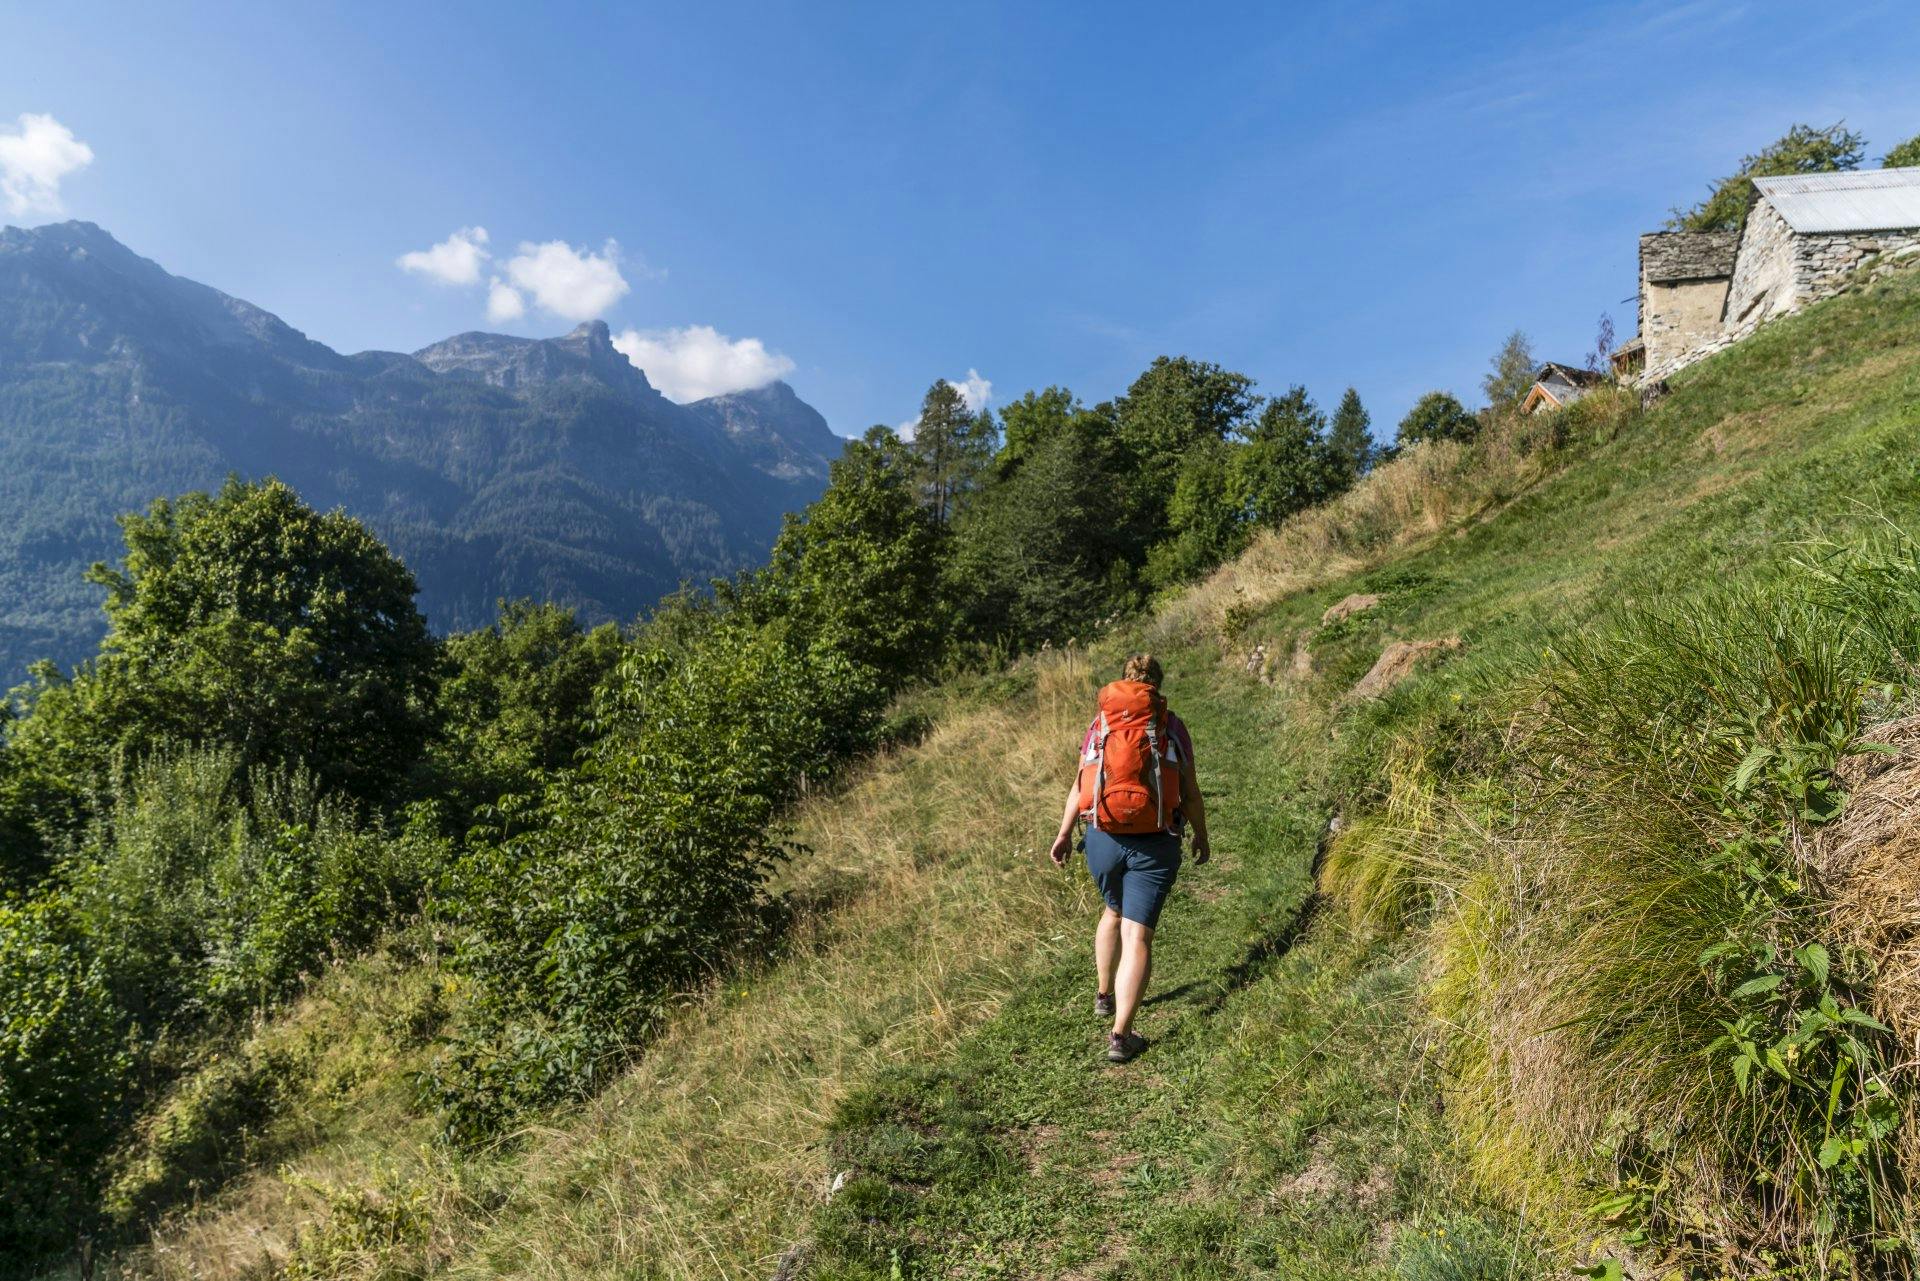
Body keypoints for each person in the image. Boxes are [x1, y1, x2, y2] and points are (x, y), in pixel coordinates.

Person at [1047, 653, 1209, 1063]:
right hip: (1155, 838)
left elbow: (1080, 784)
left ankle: (1104, 995)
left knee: (1112, 909)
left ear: (1123, 682)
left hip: (1103, 837)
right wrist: (1202, 835)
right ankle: (1121, 1036)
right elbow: (1188, 791)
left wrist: (1065, 833)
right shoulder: (1170, 726)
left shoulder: (1100, 725)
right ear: (1157, 685)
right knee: (1138, 936)